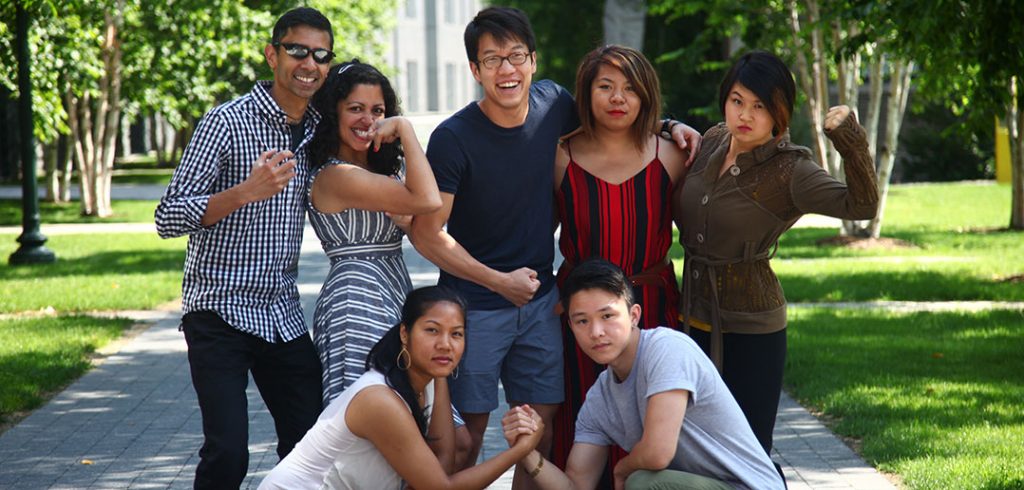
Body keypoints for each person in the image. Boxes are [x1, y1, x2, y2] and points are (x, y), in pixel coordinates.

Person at [410, 8, 701, 484]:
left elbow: (620, 105)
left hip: (547, 305)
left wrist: (670, 125)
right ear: (474, 69)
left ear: (533, 61)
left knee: (539, 435)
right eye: (492, 60)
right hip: (480, 306)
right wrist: (497, 281)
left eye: (515, 56)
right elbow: (426, 233)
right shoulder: (453, 139)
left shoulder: (554, 106)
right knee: (466, 438)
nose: (506, 70)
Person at [154, 7, 334, 488]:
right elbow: (167, 216)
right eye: (297, 50)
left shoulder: (321, 128)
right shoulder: (225, 122)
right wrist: (244, 192)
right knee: (228, 453)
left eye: (320, 55)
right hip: (218, 310)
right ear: (272, 54)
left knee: (312, 443)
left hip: (281, 312)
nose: (308, 63)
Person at [672, 50, 879, 456]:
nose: (745, 115)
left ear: (779, 113)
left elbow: (862, 206)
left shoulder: (791, 170)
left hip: (752, 329)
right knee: (695, 448)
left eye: (759, 106)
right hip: (690, 319)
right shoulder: (712, 140)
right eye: (737, 101)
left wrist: (848, 140)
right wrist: (669, 123)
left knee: (749, 452)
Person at [501, 259, 785, 490]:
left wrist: (621, 470)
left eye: (607, 316)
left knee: (643, 483)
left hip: (747, 486)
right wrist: (526, 452)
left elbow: (657, 453)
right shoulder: (600, 399)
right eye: (582, 321)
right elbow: (576, 487)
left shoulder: (666, 349)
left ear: (634, 315)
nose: (596, 332)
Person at [551, 45, 689, 474]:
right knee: (581, 420)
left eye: (630, 88)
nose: (618, 98)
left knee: (653, 419)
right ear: (586, 94)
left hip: (652, 307)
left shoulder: (671, 155)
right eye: (605, 87)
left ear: (646, 96)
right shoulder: (560, 156)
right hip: (581, 314)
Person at [259, 286, 543, 489]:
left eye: (456, 334)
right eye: (432, 330)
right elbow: (439, 487)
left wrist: (440, 370)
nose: (445, 343)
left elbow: (446, 458)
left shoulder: (426, 381)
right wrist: (522, 450)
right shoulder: (380, 399)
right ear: (404, 333)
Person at [306, 59, 441, 403]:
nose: (368, 120)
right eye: (355, 109)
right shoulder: (336, 175)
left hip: (392, 287)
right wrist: (407, 130)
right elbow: (427, 198)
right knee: (372, 411)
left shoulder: (376, 171)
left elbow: (423, 214)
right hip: (355, 299)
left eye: (378, 110)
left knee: (405, 409)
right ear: (333, 113)